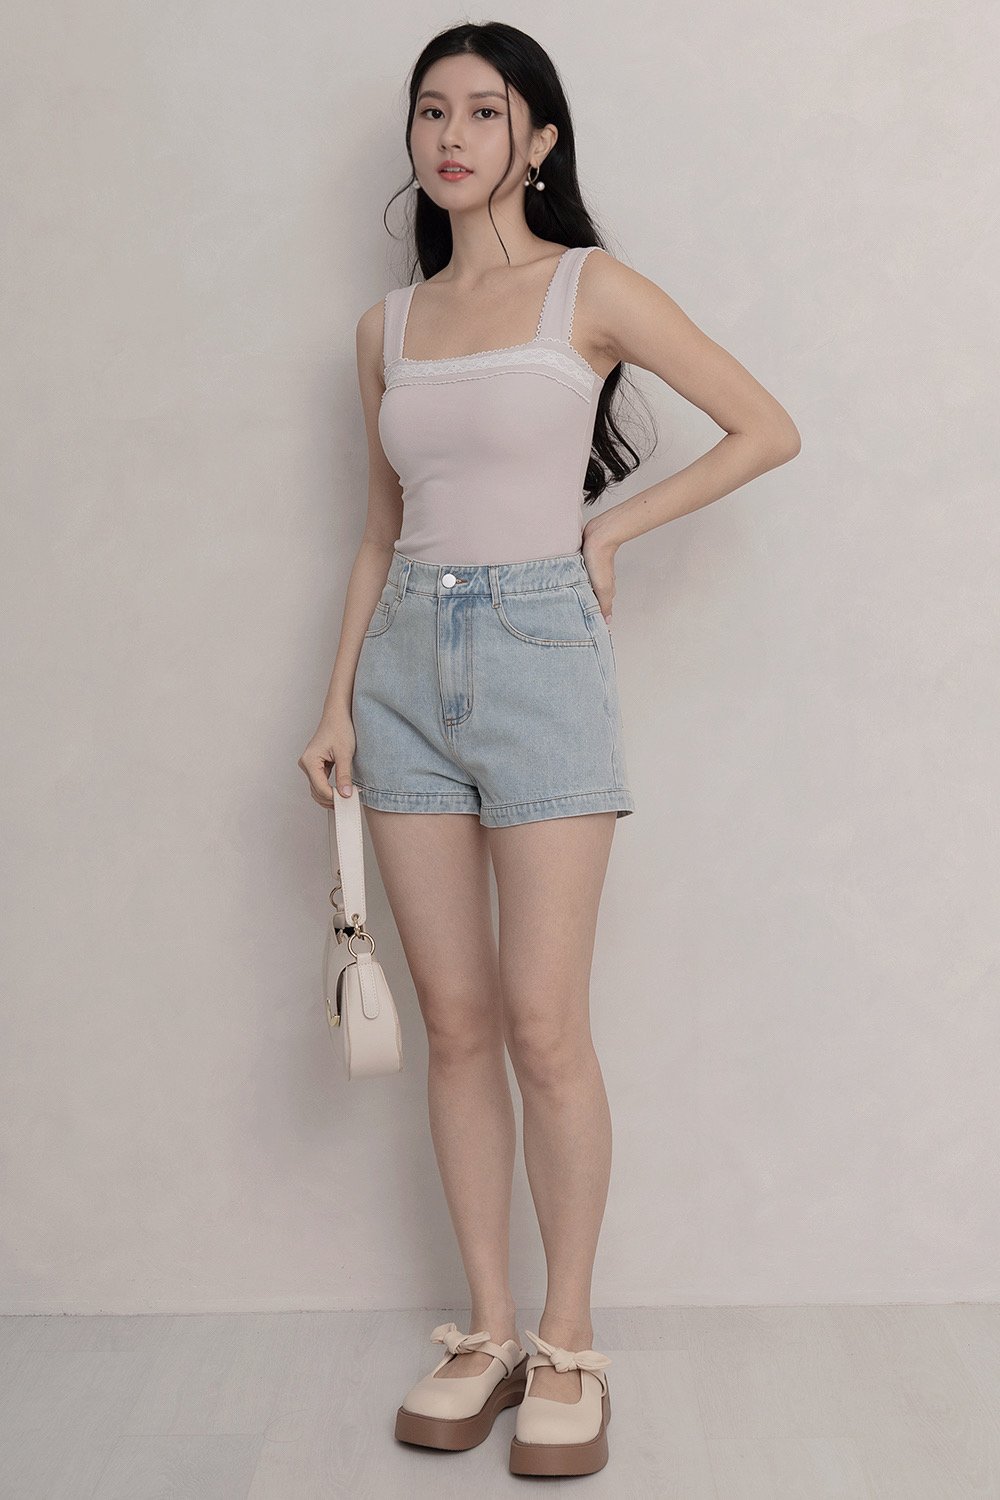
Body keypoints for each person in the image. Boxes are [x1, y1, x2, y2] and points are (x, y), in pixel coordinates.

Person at [299, 20, 800, 1479]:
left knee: (541, 1024)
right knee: (454, 1023)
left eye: (483, 111)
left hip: (540, 660)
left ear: (539, 138)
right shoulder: (386, 328)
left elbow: (765, 427)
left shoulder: (592, 290)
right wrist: (334, 704)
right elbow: (378, 531)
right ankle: (488, 1329)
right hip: (402, 669)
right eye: (430, 112)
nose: (451, 136)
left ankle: (570, 1341)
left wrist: (610, 530)